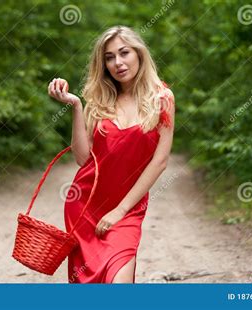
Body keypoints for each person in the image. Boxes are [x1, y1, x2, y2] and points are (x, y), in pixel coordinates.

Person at [47, 25, 175, 283]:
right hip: (85, 205)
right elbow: (84, 160)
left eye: (124, 53)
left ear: (139, 54)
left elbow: (160, 162)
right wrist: (75, 105)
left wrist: (120, 210)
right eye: (109, 57)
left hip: (127, 210)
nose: (118, 62)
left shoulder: (162, 98)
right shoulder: (99, 99)